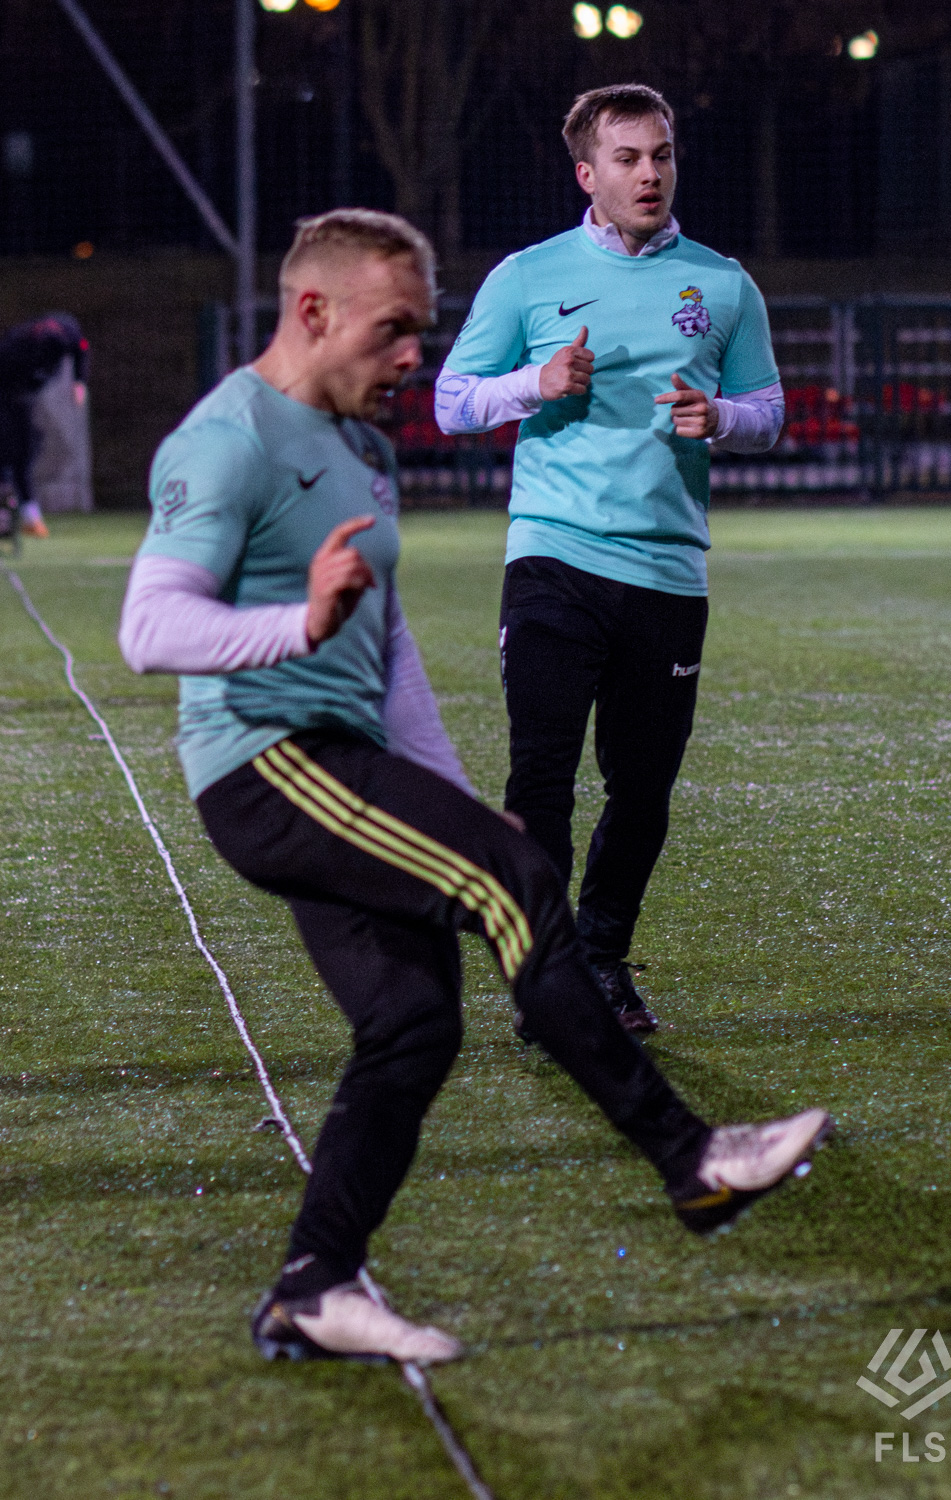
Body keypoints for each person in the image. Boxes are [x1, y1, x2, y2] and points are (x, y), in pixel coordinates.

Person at [119, 208, 828, 1367]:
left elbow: (390, 650)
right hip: (270, 761)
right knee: (522, 886)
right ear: (314, 311)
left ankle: (314, 1284)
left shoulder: (364, 452)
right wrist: (295, 625)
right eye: (393, 331)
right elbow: (149, 628)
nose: (415, 358)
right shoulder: (230, 439)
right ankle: (690, 1156)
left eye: (423, 331)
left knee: (414, 1021)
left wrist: (450, 790)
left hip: (343, 762)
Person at [435, 85, 785, 1036]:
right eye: (628, 158)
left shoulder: (722, 284)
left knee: (642, 789)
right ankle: (546, 973)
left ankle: (601, 956)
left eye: (661, 155)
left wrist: (721, 418)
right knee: (540, 774)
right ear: (587, 174)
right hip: (553, 556)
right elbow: (451, 400)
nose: (650, 173)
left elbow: (768, 412)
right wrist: (533, 383)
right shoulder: (526, 277)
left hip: (667, 573)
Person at [0, 312, 89, 538]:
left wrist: (79, 381)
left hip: (22, 400)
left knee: (24, 455)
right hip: (6, 396)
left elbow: (82, 349)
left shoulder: (69, 335)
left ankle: (30, 518)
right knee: (7, 453)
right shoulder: (15, 346)